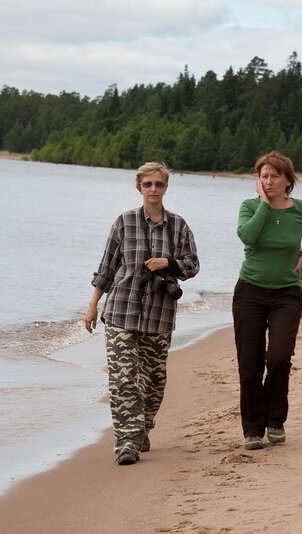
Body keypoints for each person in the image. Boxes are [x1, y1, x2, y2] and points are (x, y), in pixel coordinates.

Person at [84, 162, 200, 466]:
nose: (152, 189)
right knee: (123, 380)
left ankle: (143, 426)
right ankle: (127, 443)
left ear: (165, 187)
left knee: (154, 381)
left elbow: (193, 265)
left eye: (158, 184)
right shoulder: (123, 222)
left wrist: (169, 264)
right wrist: (93, 304)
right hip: (122, 310)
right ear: (139, 187)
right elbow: (107, 267)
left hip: (159, 316)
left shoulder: (179, 226)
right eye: (147, 184)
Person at [233, 151, 302, 451]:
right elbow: (248, 237)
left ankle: (275, 420)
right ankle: (253, 429)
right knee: (249, 365)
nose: (268, 181)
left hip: (286, 295)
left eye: (275, 175)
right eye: (264, 176)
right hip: (249, 293)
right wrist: (264, 205)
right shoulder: (250, 206)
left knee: (278, 357)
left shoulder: (301, 209)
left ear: (288, 180)